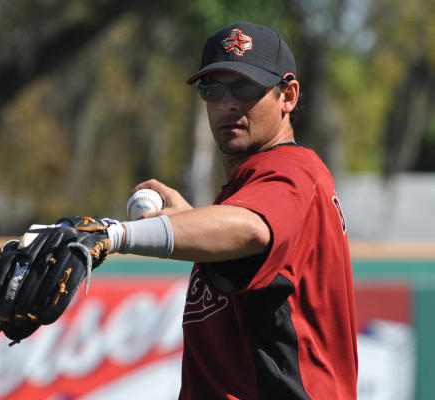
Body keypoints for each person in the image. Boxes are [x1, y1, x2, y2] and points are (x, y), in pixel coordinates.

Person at [103, 21, 358, 399]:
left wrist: (114, 235)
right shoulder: (248, 190)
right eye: (213, 88)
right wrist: (190, 218)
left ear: (288, 96)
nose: (227, 103)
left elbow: (253, 228)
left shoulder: (291, 171)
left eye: (244, 86)